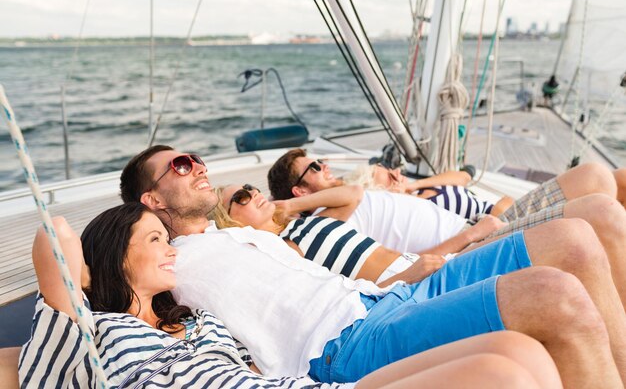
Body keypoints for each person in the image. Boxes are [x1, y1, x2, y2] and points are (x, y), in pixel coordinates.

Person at [119, 145, 626, 387]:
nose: (199, 166)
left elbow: (328, 271)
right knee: (554, 296)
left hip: (381, 298)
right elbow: (83, 284)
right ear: (151, 198)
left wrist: (413, 272)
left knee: (573, 238)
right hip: (341, 344)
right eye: (181, 166)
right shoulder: (161, 260)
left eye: (197, 158)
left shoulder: (243, 235)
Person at [16, 203, 561, 389]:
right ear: (111, 259)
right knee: (503, 376)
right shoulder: (94, 333)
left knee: (522, 354)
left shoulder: (198, 320)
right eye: (155, 239)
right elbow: (55, 234)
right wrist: (86, 278)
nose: (171, 249)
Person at [268, 149, 626, 305]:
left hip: (482, 224)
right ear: (299, 191)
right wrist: (471, 235)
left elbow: (356, 189)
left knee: (599, 175)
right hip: (474, 244)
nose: (324, 165)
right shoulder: (328, 224)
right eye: (313, 167)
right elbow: (404, 266)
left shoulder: (354, 195)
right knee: (602, 213)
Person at [212, 183, 499, 286]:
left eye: (250, 186)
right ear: (229, 221)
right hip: (412, 285)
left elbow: (353, 194)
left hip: (433, 266)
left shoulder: (303, 226)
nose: (252, 192)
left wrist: (291, 204)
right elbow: (338, 296)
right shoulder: (285, 251)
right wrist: (404, 280)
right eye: (240, 196)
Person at [344, 164, 514, 220]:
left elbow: (463, 177)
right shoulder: (420, 210)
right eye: (391, 176)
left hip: (505, 209)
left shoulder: (421, 190)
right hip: (503, 216)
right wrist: (500, 210)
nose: (397, 171)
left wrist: (414, 185)